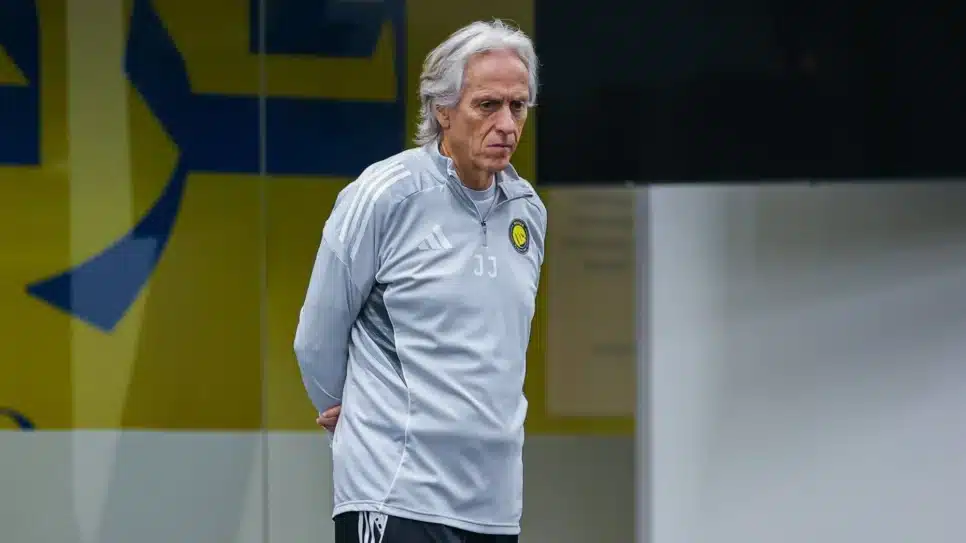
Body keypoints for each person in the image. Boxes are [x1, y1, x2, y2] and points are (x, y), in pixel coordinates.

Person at [293, 19, 546, 543]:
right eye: (487, 105)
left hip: (495, 506)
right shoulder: (386, 194)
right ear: (442, 109)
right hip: (395, 492)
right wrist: (352, 419)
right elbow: (317, 337)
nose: (506, 124)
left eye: (518, 106)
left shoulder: (528, 212)